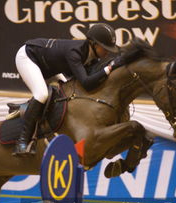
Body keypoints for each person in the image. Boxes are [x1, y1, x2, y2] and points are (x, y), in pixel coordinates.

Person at [13, 23, 119, 156]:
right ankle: (22, 141)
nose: (107, 52)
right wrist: (108, 69)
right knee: (41, 94)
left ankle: (28, 110)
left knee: (66, 89)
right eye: (104, 48)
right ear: (93, 43)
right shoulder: (74, 52)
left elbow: (92, 78)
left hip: (50, 65)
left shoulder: (91, 56)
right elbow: (86, 83)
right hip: (29, 57)